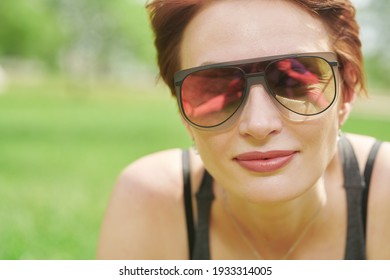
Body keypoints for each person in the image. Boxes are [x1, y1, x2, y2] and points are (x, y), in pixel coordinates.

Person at [97, 0, 390, 260]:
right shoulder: (151, 202)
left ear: (347, 93)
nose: (259, 125)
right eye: (217, 86)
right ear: (183, 112)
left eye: (294, 82)